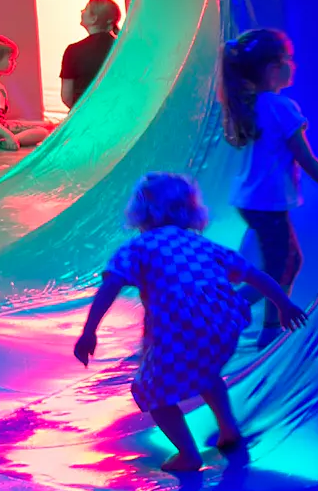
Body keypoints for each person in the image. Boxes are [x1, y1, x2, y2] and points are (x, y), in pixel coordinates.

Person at [73, 172, 305, 473]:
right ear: (191, 210)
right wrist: (284, 304)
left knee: (151, 391)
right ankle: (228, 430)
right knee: (207, 374)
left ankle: (188, 454)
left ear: (140, 211)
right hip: (224, 325)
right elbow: (256, 275)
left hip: (179, 327)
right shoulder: (203, 245)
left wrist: (89, 332)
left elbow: (110, 286)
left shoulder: (138, 247)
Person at [221, 28, 318, 336]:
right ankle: (255, 321)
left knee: (285, 263)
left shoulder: (251, 105)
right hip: (266, 202)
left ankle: (249, 313)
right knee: (284, 265)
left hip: (253, 201)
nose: (293, 65)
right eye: (288, 59)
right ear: (272, 69)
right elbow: (304, 157)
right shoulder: (281, 108)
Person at [60, 0, 122, 109]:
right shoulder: (121, 48)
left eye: (86, 9)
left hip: (84, 116)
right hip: (115, 113)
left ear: (94, 19)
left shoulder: (73, 50)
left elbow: (66, 97)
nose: (81, 11)